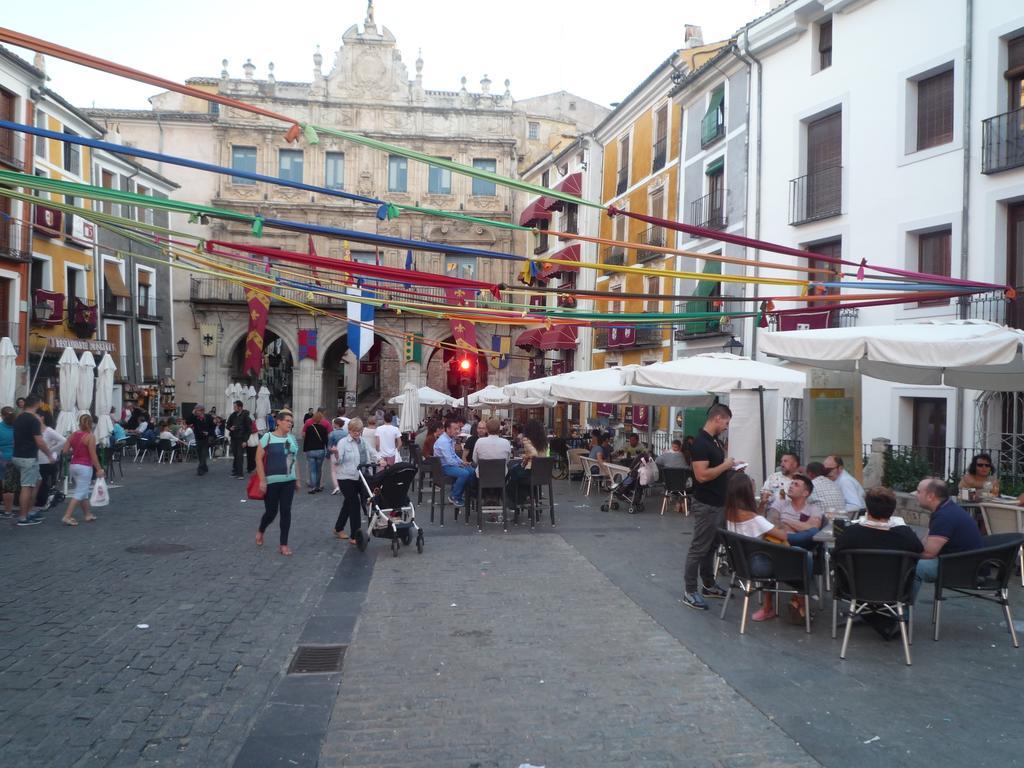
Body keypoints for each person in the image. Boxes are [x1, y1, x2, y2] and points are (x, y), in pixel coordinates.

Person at [834, 486, 924, 638]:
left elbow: (837, 554)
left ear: (867, 509)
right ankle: (883, 617)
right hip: (895, 591)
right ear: (892, 511)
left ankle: (868, 613)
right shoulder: (905, 536)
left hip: (855, 590)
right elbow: (918, 550)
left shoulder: (851, 533)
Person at [683, 403, 739, 610]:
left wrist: (731, 466)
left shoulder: (714, 442)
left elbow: (714, 469)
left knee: (712, 546)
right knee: (698, 548)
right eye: (726, 421)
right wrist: (725, 465)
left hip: (718, 502)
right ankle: (690, 590)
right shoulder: (700, 443)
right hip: (706, 504)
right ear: (718, 418)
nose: (726, 426)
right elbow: (701, 475)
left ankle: (708, 584)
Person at [723, 473, 792, 622]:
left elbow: (753, 520)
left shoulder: (730, 513)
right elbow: (783, 536)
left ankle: (775, 605)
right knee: (801, 557)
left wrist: (762, 505)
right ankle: (795, 601)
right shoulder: (756, 520)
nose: (756, 488)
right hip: (757, 566)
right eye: (753, 485)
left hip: (738, 563)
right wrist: (787, 525)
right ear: (747, 491)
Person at [914, 477, 984, 596]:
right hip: (964, 563)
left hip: (962, 569)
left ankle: (900, 611)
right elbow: (925, 543)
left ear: (930, 496)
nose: (916, 494)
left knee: (909, 567)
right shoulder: (947, 508)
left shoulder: (944, 516)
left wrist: (903, 556)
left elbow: (928, 553)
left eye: (919, 491)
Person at [255, 409, 300, 556]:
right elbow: (258, 459)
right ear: (278, 422)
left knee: (286, 511)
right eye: (287, 421)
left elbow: (293, 459)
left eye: (291, 422)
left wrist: (297, 479)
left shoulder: (292, 439)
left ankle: (283, 544)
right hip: (271, 482)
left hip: (288, 481)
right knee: (271, 512)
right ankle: (261, 529)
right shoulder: (267, 437)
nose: (289, 423)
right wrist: (262, 480)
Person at [332, 418, 382, 543]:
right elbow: (338, 461)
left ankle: (338, 528)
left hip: (361, 476)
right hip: (346, 477)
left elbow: (373, 453)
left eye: (359, 431)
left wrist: (380, 460)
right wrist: (337, 455)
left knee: (348, 504)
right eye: (354, 431)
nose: (357, 433)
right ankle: (356, 535)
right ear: (349, 430)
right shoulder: (343, 443)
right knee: (354, 504)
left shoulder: (363, 442)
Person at [12, 395, 55, 526]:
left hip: (18, 455)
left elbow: (15, 438)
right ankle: (23, 517)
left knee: (37, 480)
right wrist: (49, 455)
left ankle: (29, 511)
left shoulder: (18, 417)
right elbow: (39, 441)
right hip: (28, 457)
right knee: (27, 486)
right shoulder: (33, 419)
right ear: (37, 403)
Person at [61, 413, 105, 526]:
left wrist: (75, 450)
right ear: (91, 424)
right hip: (85, 467)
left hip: (74, 465)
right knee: (80, 492)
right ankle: (67, 516)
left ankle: (87, 514)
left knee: (83, 491)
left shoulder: (73, 435)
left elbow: (65, 450)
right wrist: (99, 469)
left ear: (79, 423)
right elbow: (93, 455)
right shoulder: (90, 437)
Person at [772, 474, 823, 547]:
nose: (791, 486)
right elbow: (772, 524)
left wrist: (786, 521)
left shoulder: (814, 508)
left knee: (814, 532)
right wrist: (801, 528)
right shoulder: (779, 503)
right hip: (778, 543)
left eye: (796, 485)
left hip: (801, 543)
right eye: (791, 483)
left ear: (805, 493)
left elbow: (813, 529)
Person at [435, 418, 474, 508]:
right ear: (448, 429)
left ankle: (465, 494)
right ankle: (454, 496)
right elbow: (449, 460)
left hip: (449, 465)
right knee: (464, 473)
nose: (458, 431)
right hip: (444, 467)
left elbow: (454, 455)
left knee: (472, 471)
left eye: (458, 429)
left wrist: (462, 462)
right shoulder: (443, 441)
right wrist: (461, 465)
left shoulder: (450, 439)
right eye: (455, 429)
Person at [36, 411, 66, 509]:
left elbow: (63, 441)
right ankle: (39, 500)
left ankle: (42, 501)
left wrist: (50, 449)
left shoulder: (48, 430)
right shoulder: (35, 429)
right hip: (36, 460)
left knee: (43, 482)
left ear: (42, 417)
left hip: (45, 460)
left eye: (37, 416)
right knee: (38, 482)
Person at [301, 408, 331, 493]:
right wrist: (327, 451)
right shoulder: (324, 428)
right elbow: (326, 440)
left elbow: (305, 439)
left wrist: (305, 449)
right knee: (319, 469)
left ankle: (313, 486)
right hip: (320, 450)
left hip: (310, 450)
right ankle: (318, 486)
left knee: (312, 470)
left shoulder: (309, 427)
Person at [227, 399, 253, 479]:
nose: (234, 408)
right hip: (234, 438)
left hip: (241, 438)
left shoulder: (246, 416)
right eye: (234, 406)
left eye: (235, 407)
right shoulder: (233, 415)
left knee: (239, 456)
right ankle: (235, 472)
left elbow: (249, 430)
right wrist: (230, 428)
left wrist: (245, 440)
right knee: (235, 455)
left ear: (240, 407)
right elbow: (227, 425)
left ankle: (240, 474)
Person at [186, 405, 215, 475]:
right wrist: (192, 413)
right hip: (198, 438)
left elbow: (213, 427)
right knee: (199, 453)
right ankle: (205, 466)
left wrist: (208, 432)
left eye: (197, 410)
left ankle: (200, 469)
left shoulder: (208, 417)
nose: (196, 412)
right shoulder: (195, 417)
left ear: (202, 411)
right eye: (195, 410)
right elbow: (188, 422)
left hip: (206, 438)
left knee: (203, 453)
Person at [326, 417, 348, 495]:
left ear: (336, 425)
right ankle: (344, 485)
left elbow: (329, 447)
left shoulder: (332, 434)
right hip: (343, 454)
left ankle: (336, 486)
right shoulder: (346, 434)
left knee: (333, 471)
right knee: (342, 470)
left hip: (334, 454)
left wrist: (327, 455)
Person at [0, 406, 15, 518]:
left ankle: (7, 509)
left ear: (2, 416)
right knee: (14, 485)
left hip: (3, 458)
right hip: (17, 457)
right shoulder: (18, 427)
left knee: (5, 484)